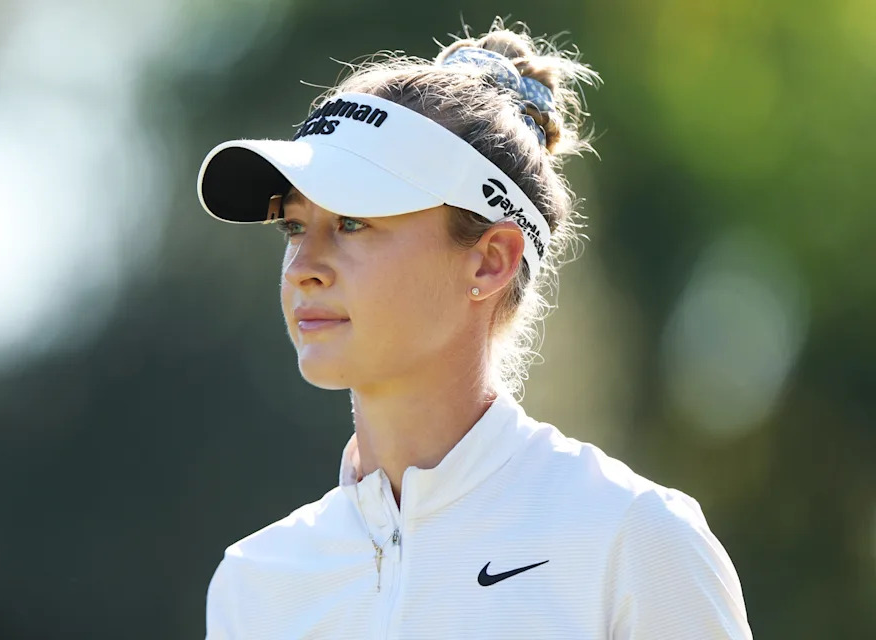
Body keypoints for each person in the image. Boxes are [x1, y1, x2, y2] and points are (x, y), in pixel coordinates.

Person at [197, 19, 753, 640]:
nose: (302, 269)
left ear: (491, 260)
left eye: (353, 223)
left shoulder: (633, 540)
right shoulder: (255, 584)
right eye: (295, 227)